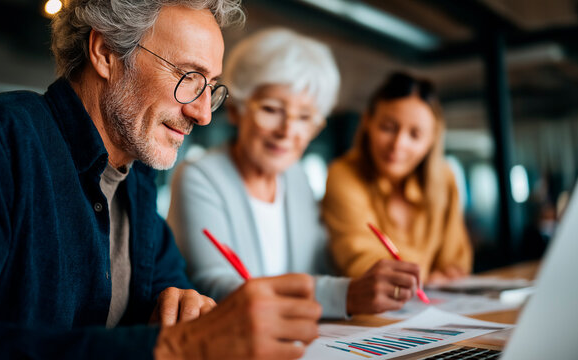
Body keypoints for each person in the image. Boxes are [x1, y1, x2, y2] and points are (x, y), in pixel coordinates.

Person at [0, 2, 322, 359]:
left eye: (210, 86)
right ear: (106, 52)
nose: (203, 113)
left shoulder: (137, 180)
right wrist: (177, 346)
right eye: (188, 76)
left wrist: (190, 307)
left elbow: (175, 291)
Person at [167, 28, 421, 319]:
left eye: (304, 117)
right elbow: (213, 286)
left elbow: (320, 265)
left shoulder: (296, 177)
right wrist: (346, 295)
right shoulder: (198, 177)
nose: (287, 131)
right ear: (236, 109)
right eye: (272, 109)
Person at [322, 72, 473, 285]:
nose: (398, 144)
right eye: (388, 128)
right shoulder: (342, 174)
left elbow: (455, 262)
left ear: (432, 139)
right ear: (367, 122)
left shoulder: (445, 178)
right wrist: (425, 278)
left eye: (415, 135)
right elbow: (359, 260)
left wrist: (445, 274)